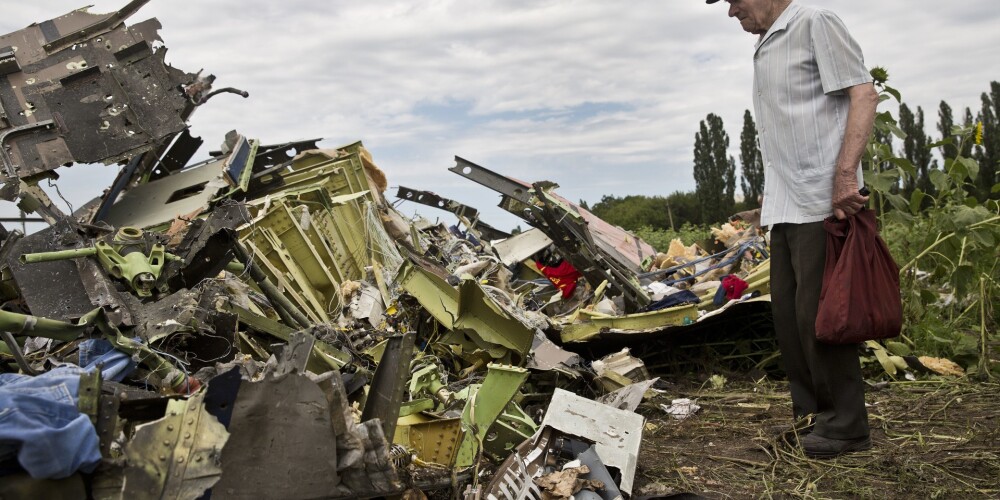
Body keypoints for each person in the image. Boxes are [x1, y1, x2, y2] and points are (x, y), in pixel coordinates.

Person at [706, 0, 879, 458]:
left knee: (822, 319)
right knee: (789, 318)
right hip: (787, 204)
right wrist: (769, 195)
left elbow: (863, 93)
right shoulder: (767, 42)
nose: (730, 12)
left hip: (824, 201)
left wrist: (846, 175)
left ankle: (846, 426)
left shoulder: (814, 22)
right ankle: (811, 420)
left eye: (733, 0)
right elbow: (789, 127)